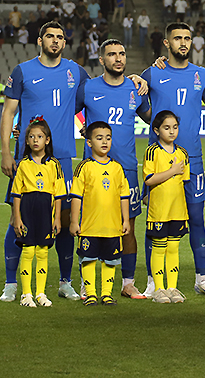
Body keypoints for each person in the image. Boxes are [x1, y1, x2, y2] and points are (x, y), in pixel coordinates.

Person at [2, 22, 91, 303]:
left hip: (62, 158)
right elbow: (8, 112)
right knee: (20, 219)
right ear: (40, 40)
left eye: (60, 37)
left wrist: (138, 79)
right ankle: (11, 282)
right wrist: (6, 151)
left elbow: (99, 92)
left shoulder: (76, 72)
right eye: (50, 36)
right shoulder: (23, 71)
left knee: (64, 221)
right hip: (27, 158)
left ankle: (65, 282)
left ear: (65, 43)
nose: (55, 41)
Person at [141, 23, 205, 298]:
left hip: (193, 161)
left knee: (197, 219)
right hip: (161, 163)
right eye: (177, 38)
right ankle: (154, 282)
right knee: (156, 221)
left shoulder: (201, 75)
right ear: (166, 43)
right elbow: (141, 107)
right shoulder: (153, 73)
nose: (183, 42)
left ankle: (202, 279)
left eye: (187, 38)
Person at [76, 39, 151, 299]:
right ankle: (88, 284)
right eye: (111, 54)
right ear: (102, 60)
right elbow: (67, 113)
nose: (118, 58)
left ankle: (127, 283)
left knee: (127, 225)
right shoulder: (88, 88)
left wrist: (145, 82)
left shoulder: (134, 88)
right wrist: (83, 128)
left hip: (126, 170)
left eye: (121, 54)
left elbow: (152, 116)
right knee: (89, 225)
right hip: (93, 172)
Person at [69, 121, 131, 306]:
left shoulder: (117, 168)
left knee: (110, 260)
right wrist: (74, 221)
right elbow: (76, 196)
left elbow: (124, 196)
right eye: (99, 138)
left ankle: (106, 293)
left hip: (112, 226)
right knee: (88, 259)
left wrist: (126, 220)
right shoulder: (84, 167)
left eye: (108, 138)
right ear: (89, 143)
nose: (104, 142)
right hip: (89, 226)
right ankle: (90, 294)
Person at [10, 118, 66, 307]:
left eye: (40, 137)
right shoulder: (23, 164)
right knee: (27, 251)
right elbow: (17, 193)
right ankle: (26, 294)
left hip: (46, 214)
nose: (35, 140)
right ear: (26, 141)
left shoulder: (54, 165)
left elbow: (58, 195)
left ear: (47, 140)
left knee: (42, 251)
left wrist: (57, 218)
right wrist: (17, 217)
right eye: (31, 137)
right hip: (27, 211)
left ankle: (40, 293)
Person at [143, 111, 190, 304]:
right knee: (159, 248)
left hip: (177, 210)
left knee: (173, 248)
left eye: (175, 127)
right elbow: (150, 179)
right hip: (159, 210)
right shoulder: (153, 151)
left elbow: (184, 182)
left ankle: (172, 287)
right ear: (156, 130)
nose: (172, 131)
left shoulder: (182, 153)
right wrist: (171, 171)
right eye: (166, 127)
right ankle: (159, 289)